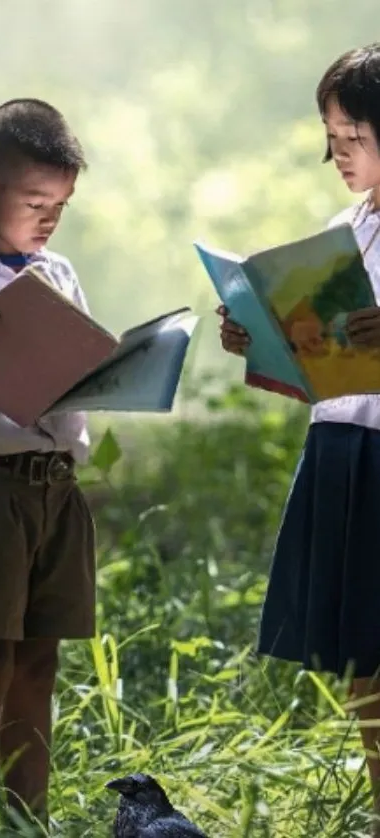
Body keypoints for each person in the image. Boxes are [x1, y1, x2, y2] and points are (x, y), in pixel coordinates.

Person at [218, 43, 380, 832]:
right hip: (342, 452)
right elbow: (317, 362)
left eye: (352, 138)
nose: (336, 157)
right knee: (362, 657)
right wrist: (262, 336)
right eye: (330, 140)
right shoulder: (342, 229)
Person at [0, 98, 96, 827]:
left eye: (61, 205)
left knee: (37, 662)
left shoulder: (58, 270)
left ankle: (28, 816)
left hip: (55, 490)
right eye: (36, 202)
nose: (49, 219)